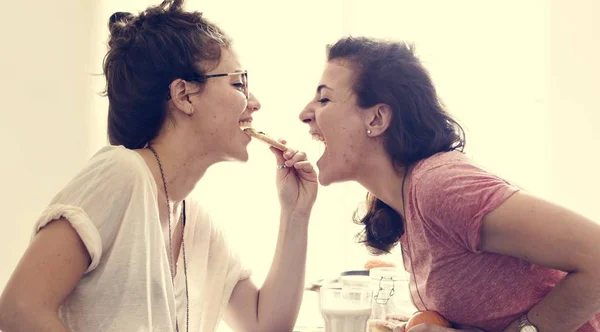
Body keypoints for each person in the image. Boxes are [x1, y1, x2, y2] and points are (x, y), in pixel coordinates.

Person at [0, 1, 317, 331]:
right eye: (238, 83)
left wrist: (296, 214)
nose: (254, 103)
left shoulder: (192, 220)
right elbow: (20, 309)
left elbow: (265, 324)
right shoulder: (122, 173)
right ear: (184, 95)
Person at [299, 36, 600, 332]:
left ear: (377, 119)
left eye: (324, 98)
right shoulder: (405, 204)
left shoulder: (438, 185)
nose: (305, 114)